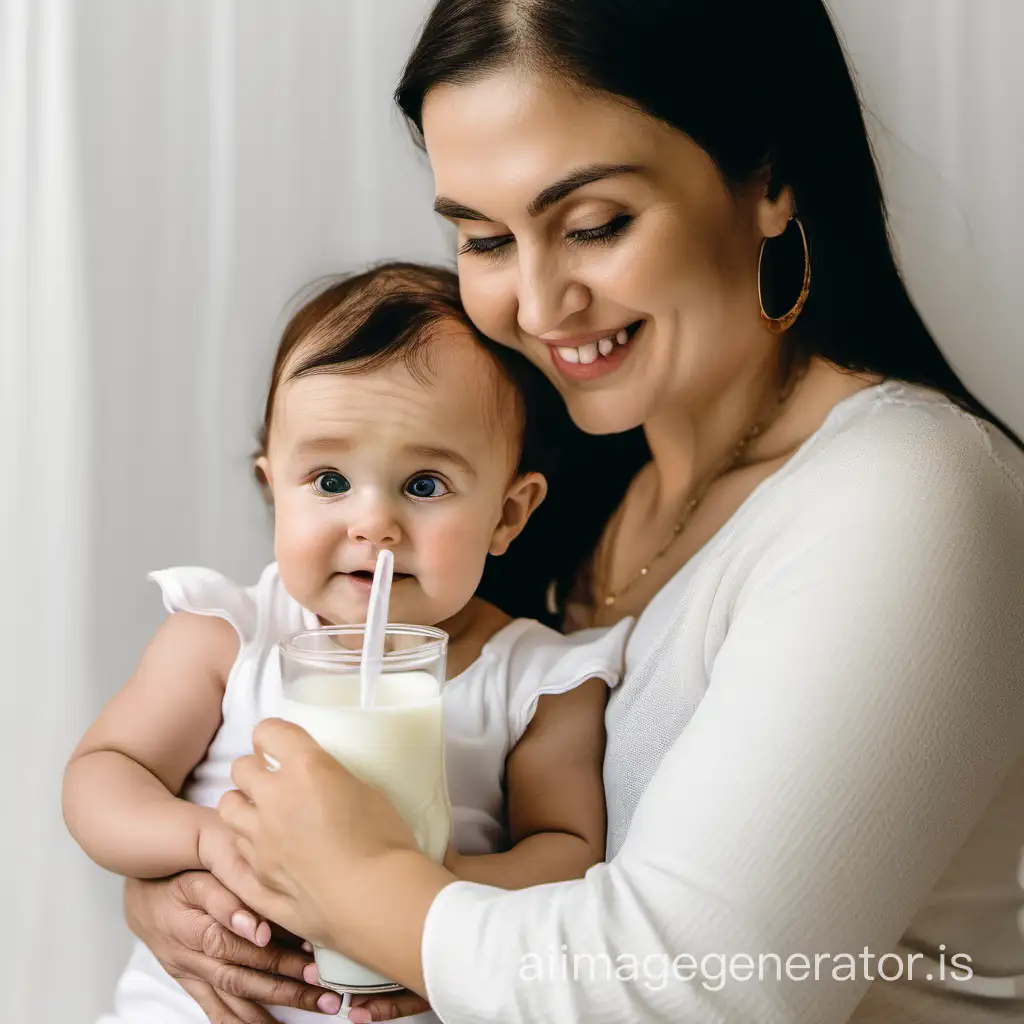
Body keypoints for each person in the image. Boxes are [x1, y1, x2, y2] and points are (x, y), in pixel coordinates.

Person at [124, 2, 1024, 1022]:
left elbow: (688, 990)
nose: (540, 306)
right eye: (483, 238)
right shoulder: (559, 499)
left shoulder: (909, 494)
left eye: (594, 226)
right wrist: (203, 900)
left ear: (768, 180)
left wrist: (343, 886)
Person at [64, 262, 633, 1024]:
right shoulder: (229, 637)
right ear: (274, 485)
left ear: (508, 513)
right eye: (329, 481)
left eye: (425, 485)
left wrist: (426, 886)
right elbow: (102, 778)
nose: (373, 525)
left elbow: (567, 854)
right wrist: (206, 841)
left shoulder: (534, 685)